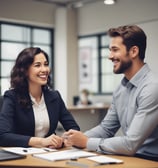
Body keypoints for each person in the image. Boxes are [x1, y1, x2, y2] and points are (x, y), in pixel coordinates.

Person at [63, 25, 158, 161]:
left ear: (133, 51)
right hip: (132, 158)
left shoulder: (152, 87)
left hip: (151, 160)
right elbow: (106, 129)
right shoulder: (121, 88)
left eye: (115, 50)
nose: (110, 56)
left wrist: (86, 142)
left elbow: (130, 144)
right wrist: (75, 138)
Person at [0, 47, 80, 148]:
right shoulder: (12, 97)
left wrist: (62, 140)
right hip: (23, 156)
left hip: (49, 155)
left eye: (46, 64)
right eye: (37, 65)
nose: (45, 69)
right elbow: (2, 135)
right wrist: (41, 141)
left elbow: (74, 129)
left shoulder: (55, 97)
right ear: (24, 70)